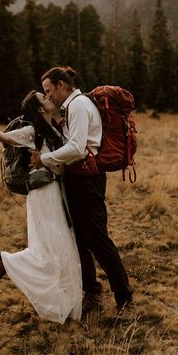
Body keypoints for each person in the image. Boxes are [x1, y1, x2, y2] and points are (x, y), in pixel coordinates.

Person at [0, 90, 82, 324]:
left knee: (63, 248)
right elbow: (4, 138)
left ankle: (64, 304)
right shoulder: (31, 131)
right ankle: (6, 261)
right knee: (49, 249)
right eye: (43, 98)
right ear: (39, 109)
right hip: (42, 196)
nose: (49, 97)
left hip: (57, 193)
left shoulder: (56, 129)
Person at [30, 67, 133, 315]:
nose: (49, 95)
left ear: (62, 84)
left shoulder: (77, 106)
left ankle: (124, 297)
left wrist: (44, 160)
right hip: (80, 179)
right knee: (82, 239)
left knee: (97, 239)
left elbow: (76, 148)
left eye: (49, 90)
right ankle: (92, 293)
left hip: (88, 179)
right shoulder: (73, 106)